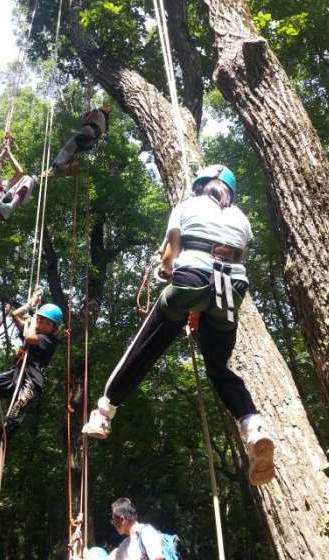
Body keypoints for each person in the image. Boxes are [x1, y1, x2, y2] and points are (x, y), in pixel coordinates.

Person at [83, 165, 275, 486]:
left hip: (190, 280)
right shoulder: (242, 219)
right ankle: (253, 426)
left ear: (200, 186)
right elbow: (231, 263)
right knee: (219, 368)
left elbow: (170, 259)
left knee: (145, 350)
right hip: (231, 290)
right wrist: (200, 307)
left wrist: (164, 271)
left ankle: (104, 412)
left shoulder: (185, 206)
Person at [0, 288, 62, 468]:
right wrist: (31, 303)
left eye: (46, 322)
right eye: (40, 319)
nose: (41, 322)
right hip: (15, 375)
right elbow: (15, 315)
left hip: (31, 382)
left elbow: (30, 336)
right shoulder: (33, 328)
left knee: (14, 414)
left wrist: (32, 320)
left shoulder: (50, 340)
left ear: (53, 328)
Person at [50, 107, 110, 173]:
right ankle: (71, 164)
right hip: (93, 141)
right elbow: (103, 136)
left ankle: (55, 166)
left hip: (89, 131)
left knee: (68, 147)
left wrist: (85, 121)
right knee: (75, 150)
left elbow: (88, 117)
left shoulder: (97, 111)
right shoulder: (105, 124)